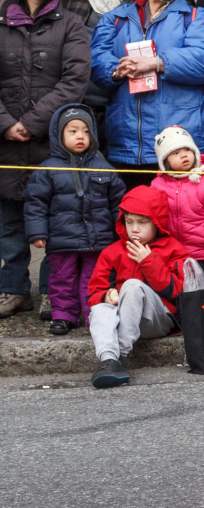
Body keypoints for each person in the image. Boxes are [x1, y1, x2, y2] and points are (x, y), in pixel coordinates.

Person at [0, 0, 92, 318]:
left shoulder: (70, 24)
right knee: (8, 222)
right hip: (5, 142)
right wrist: (6, 124)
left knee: (56, 221)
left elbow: (75, 81)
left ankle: (55, 291)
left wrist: (32, 123)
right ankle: (12, 289)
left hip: (52, 140)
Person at [90, 0, 204, 184]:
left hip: (182, 146)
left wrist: (157, 63)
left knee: (185, 218)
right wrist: (116, 71)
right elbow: (96, 60)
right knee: (135, 217)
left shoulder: (195, 17)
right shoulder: (116, 18)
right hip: (129, 145)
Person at [26, 105, 124, 335]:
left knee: (95, 278)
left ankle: (94, 315)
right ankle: (63, 316)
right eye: (73, 131)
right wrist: (38, 232)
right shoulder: (47, 169)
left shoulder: (104, 168)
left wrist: (120, 230)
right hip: (62, 239)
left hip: (97, 239)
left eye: (86, 131)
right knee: (62, 279)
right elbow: (35, 204)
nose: (80, 136)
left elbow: (117, 203)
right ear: (58, 135)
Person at [87, 186, 187, 389]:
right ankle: (108, 360)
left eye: (143, 222)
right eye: (129, 221)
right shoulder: (112, 252)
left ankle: (121, 355)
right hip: (121, 319)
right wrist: (106, 297)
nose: (134, 229)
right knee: (99, 310)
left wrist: (149, 261)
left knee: (132, 286)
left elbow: (177, 292)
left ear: (157, 223)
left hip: (157, 320)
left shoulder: (174, 249)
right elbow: (93, 293)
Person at [149, 126, 204, 286]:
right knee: (176, 285)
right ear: (165, 161)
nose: (184, 155)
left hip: (203, 250)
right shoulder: (158, 184)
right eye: (175, 153)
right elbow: (152, 214)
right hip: (171, 250)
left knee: (203, 284)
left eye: (187, 149)